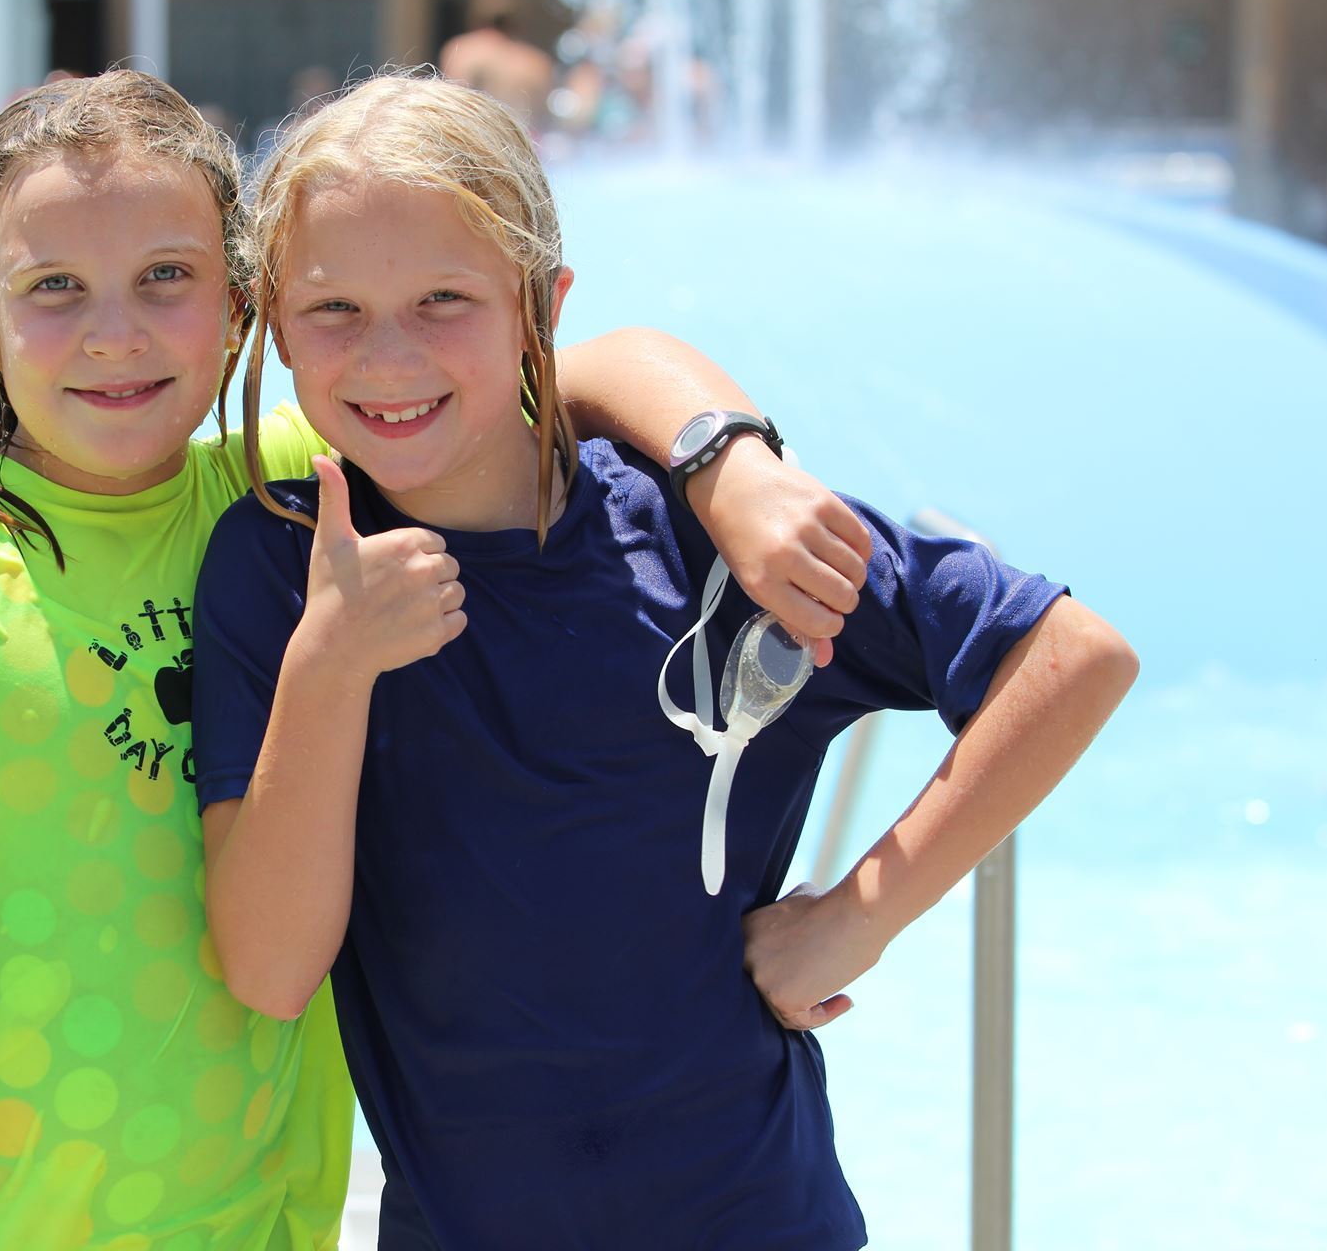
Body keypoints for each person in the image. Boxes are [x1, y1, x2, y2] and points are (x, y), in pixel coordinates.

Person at [0, 67, 874, 1249]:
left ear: (246, 309)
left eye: (165, 277)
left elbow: (573, 360)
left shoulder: (299, 504)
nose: (115, 332)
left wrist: (724, 457)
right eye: (53, 289)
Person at [193, 73, 1139, 1248]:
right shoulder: (282, 566)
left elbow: (1073, 655)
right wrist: (330, 665)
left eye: (445, 298)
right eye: (333, 309)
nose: (389, 356)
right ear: (273, 326)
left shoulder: (713, 545)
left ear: (541, 305)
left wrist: (862, 913)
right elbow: (272, 969)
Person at [436, 0, 556, 135]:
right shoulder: (536, 62)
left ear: (477, 19)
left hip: (479, 139)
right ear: (516, 23)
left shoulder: (462, 50)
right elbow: (545, 117)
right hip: (522, 141)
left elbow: (452, 104)